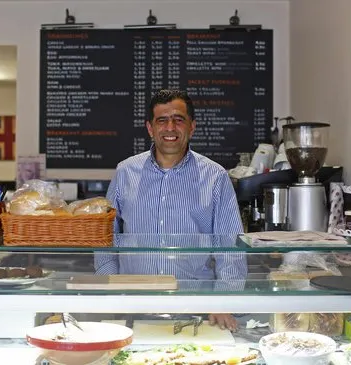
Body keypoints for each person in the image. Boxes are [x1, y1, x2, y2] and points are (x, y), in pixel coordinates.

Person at [94, 89, 247, 331]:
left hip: (196, 308)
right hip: (134, 305)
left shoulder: (215, 177)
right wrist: (112, 289)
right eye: (162, 120)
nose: (170, 128)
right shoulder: (125, 172)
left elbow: (230, 247)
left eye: (179, 119)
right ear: (150, 128)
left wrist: (223, 301)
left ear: (192, 127)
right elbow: (104, 239)